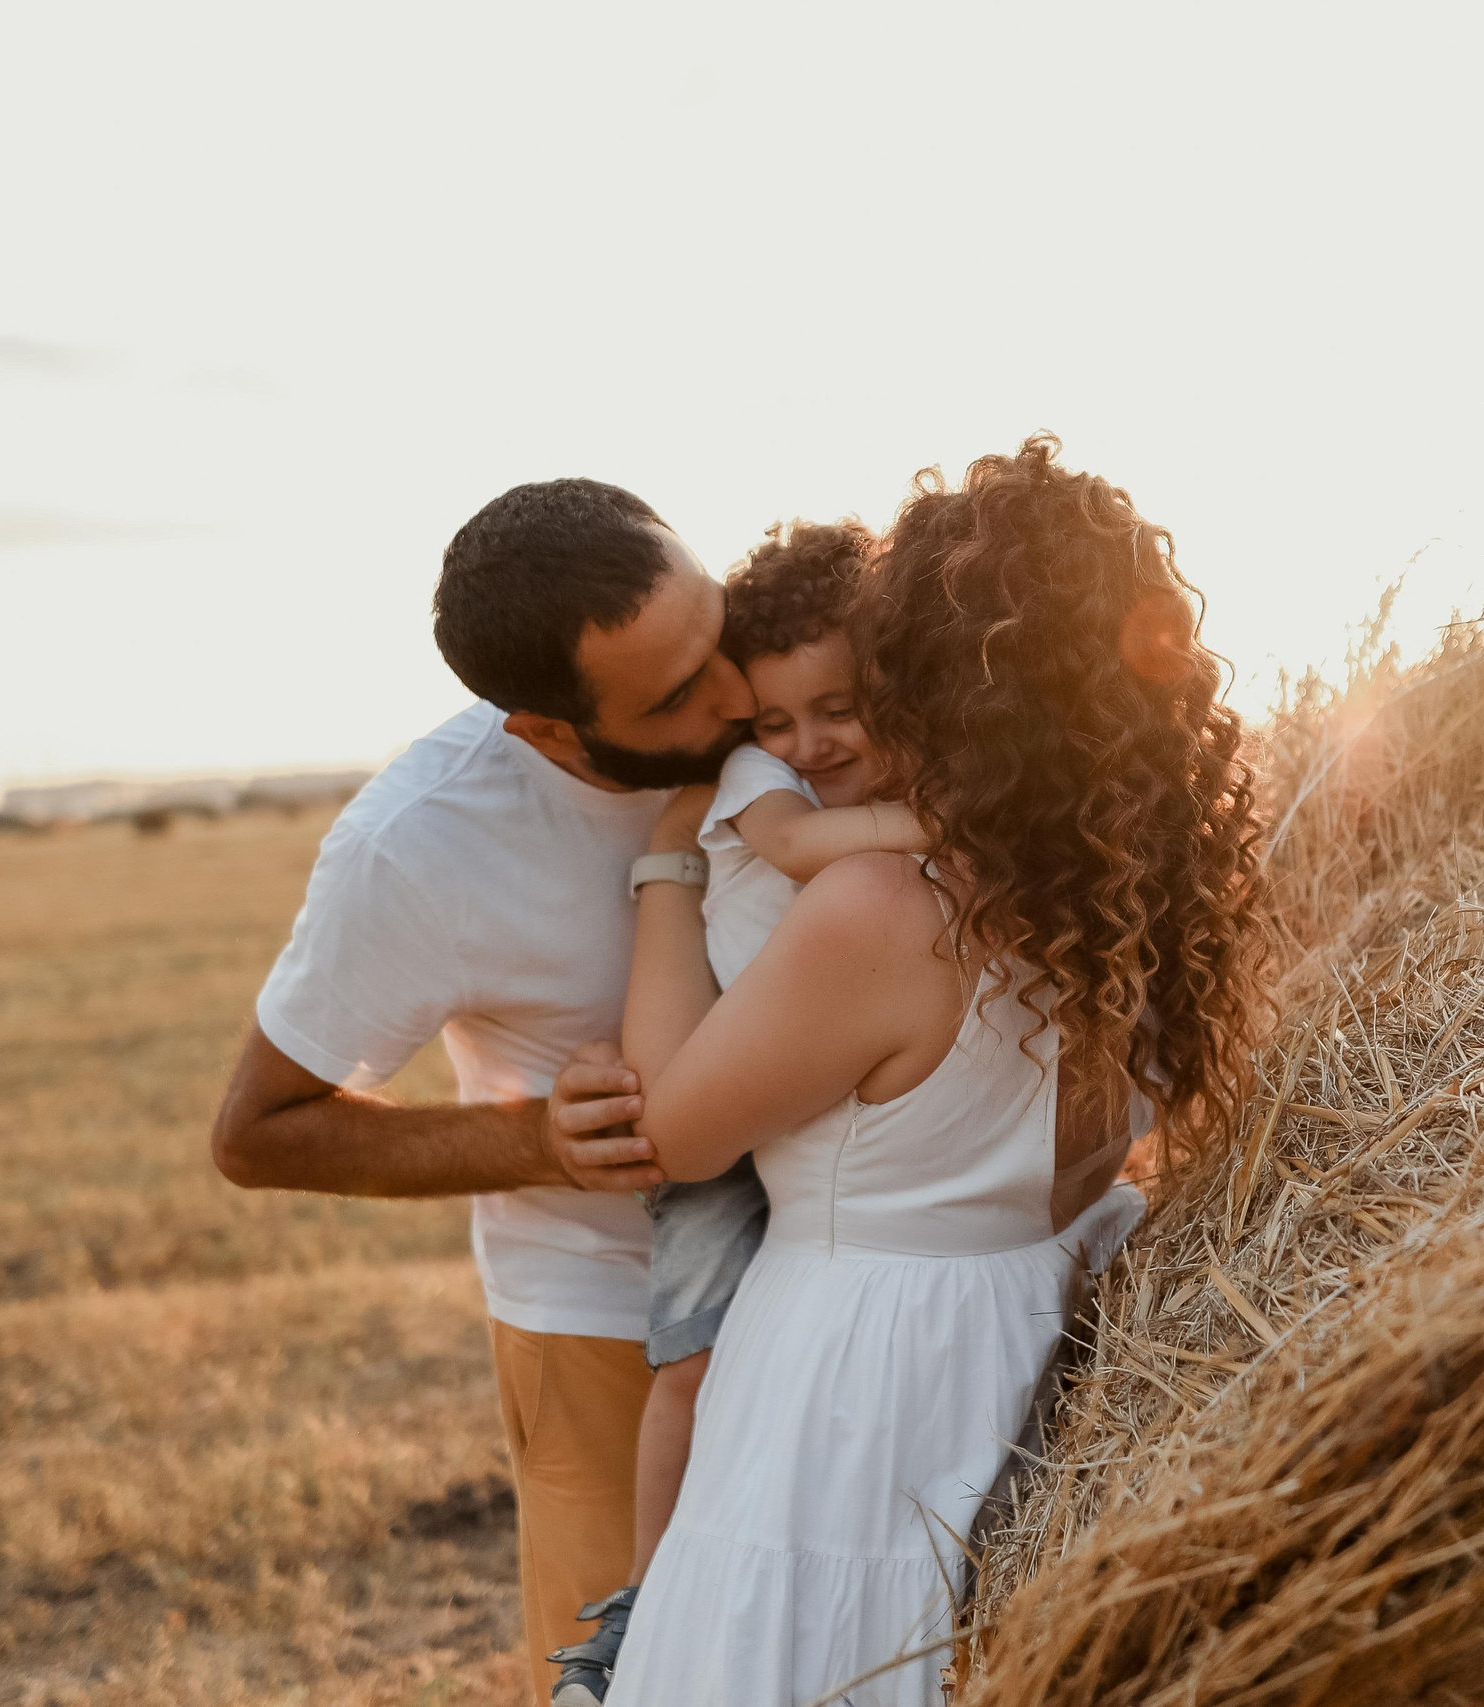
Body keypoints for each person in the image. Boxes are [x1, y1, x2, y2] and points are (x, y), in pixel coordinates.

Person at [604, 436, 1267, 1706]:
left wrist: (664, 869)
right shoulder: (1133, 878)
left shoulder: (879, 907)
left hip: (865, 1393)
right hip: (1043, 1326)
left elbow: (675, 1138)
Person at [209, 478, 753, 1706]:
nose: (736, 695)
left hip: (843, 1278)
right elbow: (259, 1132)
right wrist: (537, 1140)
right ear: (547, 733)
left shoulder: (796, 679)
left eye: (719, 634)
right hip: (607, 1325)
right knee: (640, 1678)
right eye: (674, 696)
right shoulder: (417, 845)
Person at [550, 519, 929, 1706]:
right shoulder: (771, 786)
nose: (805, 741)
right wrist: (961, 827)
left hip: (810, 1127)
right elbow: (809, 847)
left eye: (838, 709)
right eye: (775, 720)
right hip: (727, 1109)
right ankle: (644, 1605)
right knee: (697, 1364)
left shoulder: (839, 761)